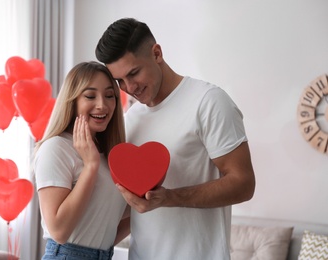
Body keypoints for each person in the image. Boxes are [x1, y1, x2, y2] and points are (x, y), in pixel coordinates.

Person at [95, 18, 256, 260]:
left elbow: (244, 184)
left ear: (157, 53)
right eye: (119, 81)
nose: (129, 87)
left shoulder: (209, 102)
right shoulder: (131, 118)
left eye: (134, 73)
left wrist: (169, 198)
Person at [33, 61, 130, 260]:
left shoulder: (108, 154)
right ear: (72, 100)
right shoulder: (56, 147)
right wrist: (90, 166)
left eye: (110, 95)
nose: (102, 104)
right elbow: (59, 231)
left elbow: (105, 229)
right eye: (90, 96)